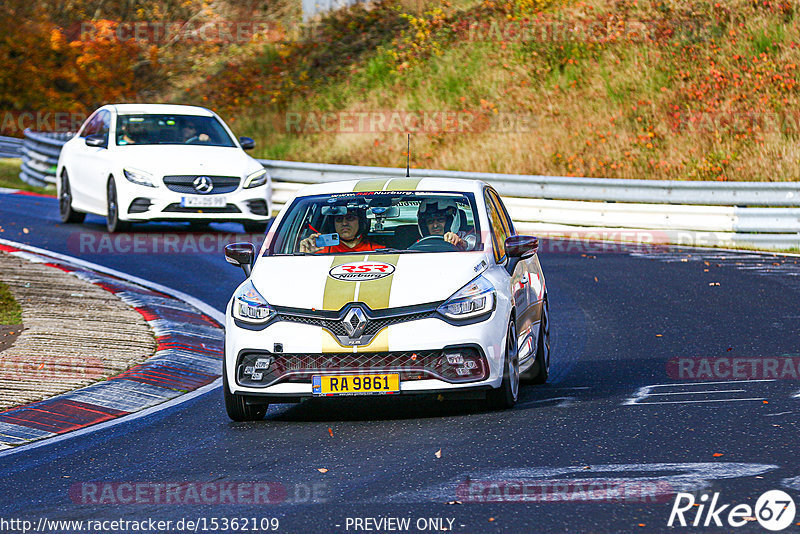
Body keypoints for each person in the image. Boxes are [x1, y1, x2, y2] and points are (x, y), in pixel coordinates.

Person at [299, 206, 383, 253]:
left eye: (350, 218)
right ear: (333, 224)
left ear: (361, 222)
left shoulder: (378, 250)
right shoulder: (321, 251)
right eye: (339, 219)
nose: (344, 223)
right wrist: (306, 255)